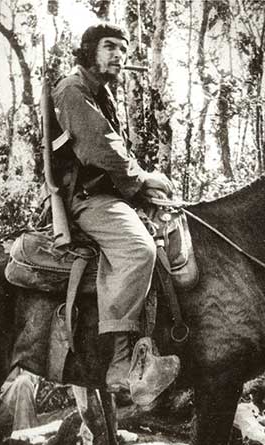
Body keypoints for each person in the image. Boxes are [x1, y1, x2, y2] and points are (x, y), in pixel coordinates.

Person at [51, 23, 173, 393]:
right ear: (89, 49)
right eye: (109, 47)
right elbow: (100, 148)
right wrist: (142, 179)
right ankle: (120, 364)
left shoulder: (100, 92)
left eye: (123, 48)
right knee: (139, 250)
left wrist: (142, 186)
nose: (119, 54)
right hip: (89, 199)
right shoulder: (74, 89)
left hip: (112, 194)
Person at [0, 366, 40, 432]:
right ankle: (23, 434)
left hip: (15, 401)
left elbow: (33, 376)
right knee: (23, 383)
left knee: (24, 382)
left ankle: (24, 433)